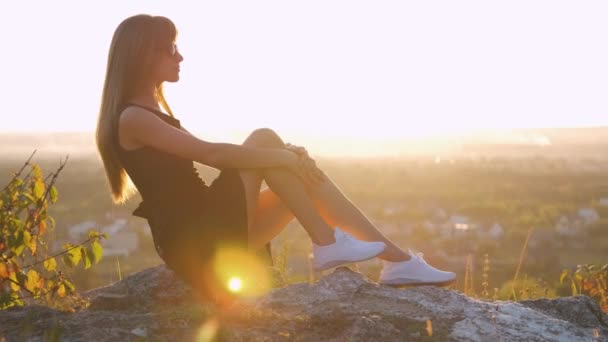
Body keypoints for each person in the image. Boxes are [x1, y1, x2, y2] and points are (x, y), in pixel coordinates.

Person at [95, 14, 455, 307]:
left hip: (209, 228)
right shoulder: (133, 118)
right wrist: (280, 155)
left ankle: (395, 261)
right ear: (144, 55)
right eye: (171, 49)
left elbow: (219, 158)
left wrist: (284, 159)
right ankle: (334, 245)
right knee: (266, 139)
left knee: (291, 176)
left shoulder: (148, 110)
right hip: (197, 239)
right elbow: (212, 154)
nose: (180, 57)